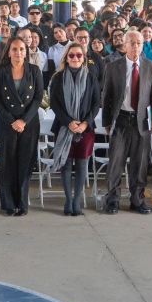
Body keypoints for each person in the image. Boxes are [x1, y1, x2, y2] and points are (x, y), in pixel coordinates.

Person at [100, 29, 152, 215]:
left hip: (141, 121)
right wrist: (107, 122)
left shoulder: (150, 66)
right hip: (120, 119)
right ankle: (112, 200)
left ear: (143, 45)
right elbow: (107, 96)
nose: (136, 46)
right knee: (115, 163)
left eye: (139, 43)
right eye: (132, 42)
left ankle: (137, 200)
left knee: (140, 163)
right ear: (124, 44)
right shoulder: (113, 66)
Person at [0, 37, 43, 216]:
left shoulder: (34, 71)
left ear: (26, 51)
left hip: (28, 123)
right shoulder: (0, 71)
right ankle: (9, 204)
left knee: (25, 163)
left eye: (21, 49)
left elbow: (37, 98)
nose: (18, 52)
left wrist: (24, 121)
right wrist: (12, 120)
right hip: (7, 123)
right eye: (14, 49)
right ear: (9, 51)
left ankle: (22, 203)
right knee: (7, 163)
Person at [51, 43, 100, 217]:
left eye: (79, 55)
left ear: (83, 57)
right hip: (64, 127)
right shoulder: (57, 78)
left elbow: (96, 103)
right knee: (65, 164)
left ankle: (77, 199)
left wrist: (85, 123)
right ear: (66, 58)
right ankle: (68, 200)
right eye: (71, 55)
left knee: (81, 164)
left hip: (85, 129)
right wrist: (69, 122)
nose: (75, 58)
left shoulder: (91, 77)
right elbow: (54, 103)